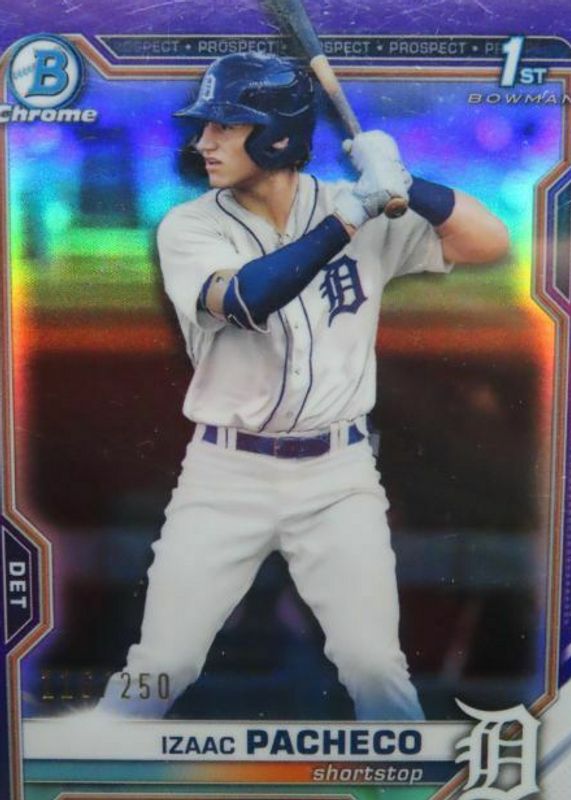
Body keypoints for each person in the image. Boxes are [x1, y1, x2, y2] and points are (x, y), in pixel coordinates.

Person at [97, 52, 509, 720]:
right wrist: (346, 219)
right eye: (206, 125)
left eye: (226, 125)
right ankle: (91, 763)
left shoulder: (362, 205)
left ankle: (411, 778)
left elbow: (489, 242)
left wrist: (410, 184)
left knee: (375, 665)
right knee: (163, 663)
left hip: (338, 475)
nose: (203, 141)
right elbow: (246, 298)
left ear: (276, 137)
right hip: (225, 475)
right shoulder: (191, 225)